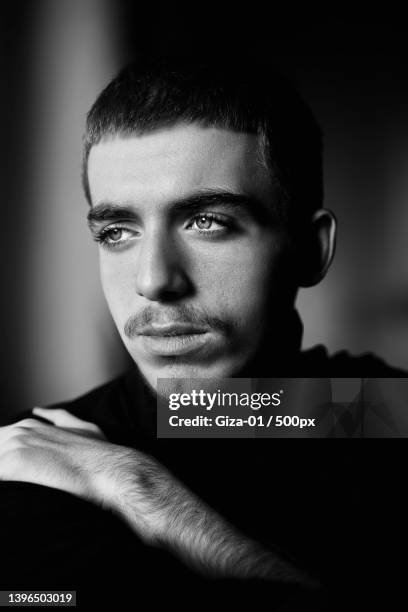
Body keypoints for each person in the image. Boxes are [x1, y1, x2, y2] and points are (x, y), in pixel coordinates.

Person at [0, 57, 405, 609]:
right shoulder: (39, 460)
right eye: (117, 231)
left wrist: (138, 489)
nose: (153, 282)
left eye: (207, 221)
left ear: (310, 251)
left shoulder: (372, 409)